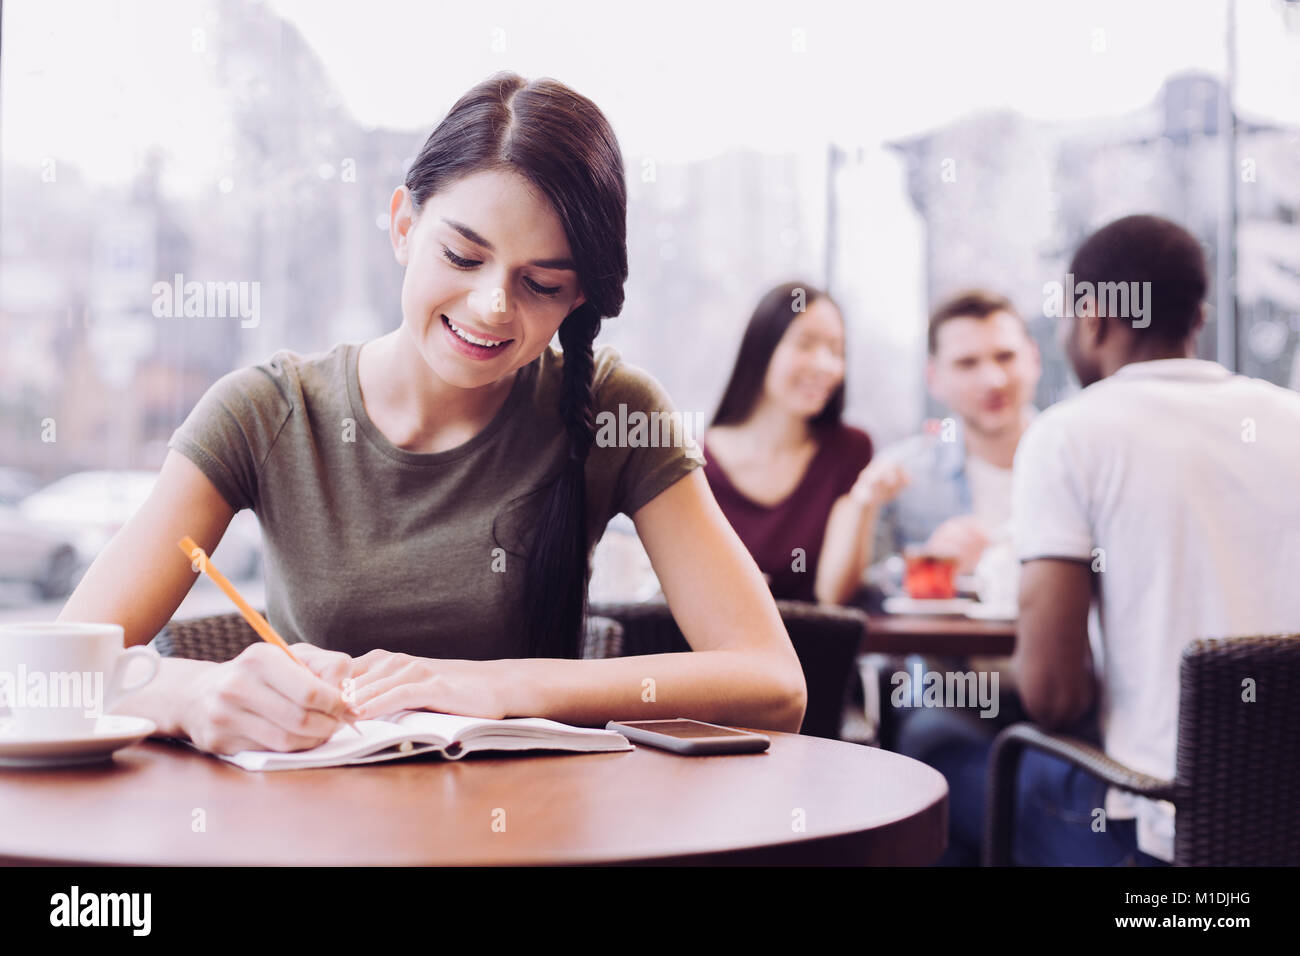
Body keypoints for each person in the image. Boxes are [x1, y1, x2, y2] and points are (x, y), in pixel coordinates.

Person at [56, 72, 807, 755]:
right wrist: (191, 693)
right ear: (403, 225)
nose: (491, 307)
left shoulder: (614, 410)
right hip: (311, 831)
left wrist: (501, 687)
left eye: (539, 283)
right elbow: (58, 674)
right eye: (463, 256)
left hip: (535, 835)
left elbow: (773, 683)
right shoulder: (266, 413)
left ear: (577, 298)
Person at [909, 214, 1300, 865]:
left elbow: (1055, 697)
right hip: (1285, 825)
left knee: (934, 751)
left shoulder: (1070, 435)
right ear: (1197, 316)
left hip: (1150, 829)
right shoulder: (1291, 419)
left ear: (1092, 316)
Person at [702, 281, 878, 605]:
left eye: (836, 351)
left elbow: (833, 595)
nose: (825, 366)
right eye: (806, 344)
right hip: (717, 650)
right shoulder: (695, 462)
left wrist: (863, 500)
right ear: (761, 348)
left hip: (814, 650)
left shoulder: (850, 450)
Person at [862, 289, 1042, 583]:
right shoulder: (901, 474)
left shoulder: (1082, 462)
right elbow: (862, 589)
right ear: (934, 377)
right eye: (967, 363)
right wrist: (931, 564)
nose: (993, 381)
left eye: (1006, 356)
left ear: (1034, 359)